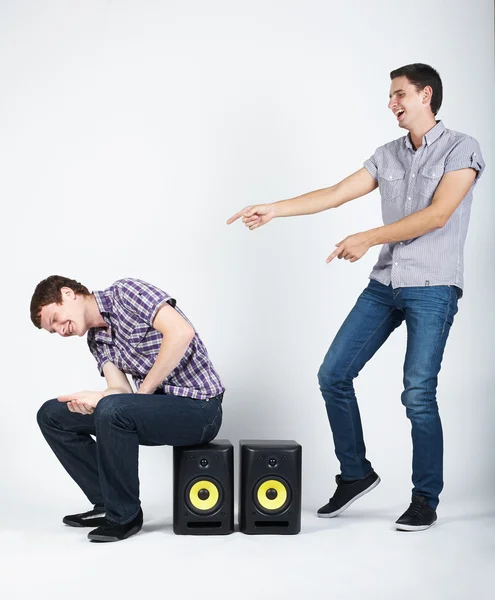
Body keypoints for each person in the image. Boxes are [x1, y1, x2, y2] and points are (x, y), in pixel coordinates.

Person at [227, 63, 485, 531]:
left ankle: (425, 498)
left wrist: (368, 236)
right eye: (391, 96)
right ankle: (356, 473)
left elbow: (438, 215)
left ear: (426, 95)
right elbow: (336, 192)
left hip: (433, 287)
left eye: (399, 95)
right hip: (385, 285)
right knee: (333, 374)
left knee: (418, 394)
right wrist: (274, 209)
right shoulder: (387, 154)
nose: (392, 104)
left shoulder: (461, 148)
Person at [32, 276, 224, 542]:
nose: (59, 330)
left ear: (67, 294)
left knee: (113, 409)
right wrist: (96, 398)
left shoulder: (126, 293)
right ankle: (106, 503)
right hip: (155, 411)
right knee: (52, 415)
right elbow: (120, 392)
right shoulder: (97, 341)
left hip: (200, 409)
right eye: (53, 331)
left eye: (55, 318)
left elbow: (181, 332)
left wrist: (141, 394)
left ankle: (125, 515)